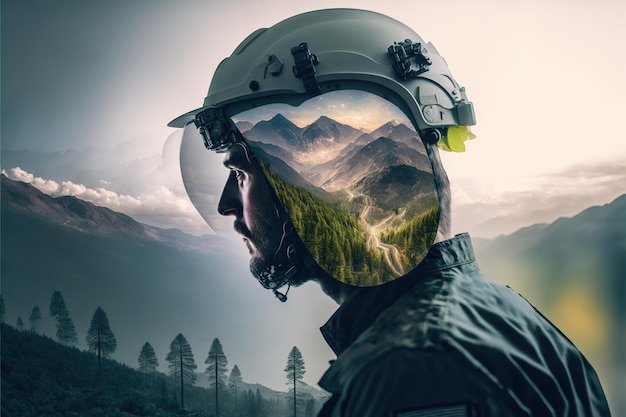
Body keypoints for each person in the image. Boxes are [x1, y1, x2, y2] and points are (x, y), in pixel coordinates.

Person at [169, 8, 611, 416]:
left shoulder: (413, 371)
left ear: (332, 190)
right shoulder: (511, 319)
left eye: (243, 174)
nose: (228, 204)